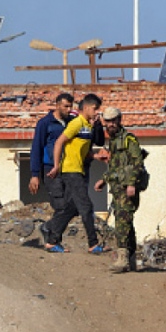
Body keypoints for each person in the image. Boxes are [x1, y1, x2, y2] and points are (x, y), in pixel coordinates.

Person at [44, 93, 104, 254]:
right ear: (85, 108)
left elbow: (82, 150)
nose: (97, 111)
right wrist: (56, 166)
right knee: (86, 206)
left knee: (71, 208)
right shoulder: (76, 123)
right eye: (94, 108)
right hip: (70, 170)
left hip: (79, 169)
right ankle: (93, 244)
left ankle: (51, 238)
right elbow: (59, 142)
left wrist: (96, 156)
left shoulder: (88, 126)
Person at [94, 106, 144, 272]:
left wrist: (131, 184)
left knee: (122, 222)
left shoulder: (129, 139)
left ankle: (122, 259)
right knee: (126, 222)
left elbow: (137, 163)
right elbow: (116, 167)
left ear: (119, 120)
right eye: (108, 121)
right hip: (118, 188)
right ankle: (131, 260)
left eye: (113, 120)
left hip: (126, 189)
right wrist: (104, 179)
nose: (111, 124)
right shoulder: (114, 141)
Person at [29, 93, 74, 243]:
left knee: (71, 205)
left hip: (68, 169)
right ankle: (53, 239)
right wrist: (35, 174)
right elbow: (36, 148)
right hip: (50, 170)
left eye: (70, 106)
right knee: (60, 206)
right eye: (65, 106)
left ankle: (50, 233)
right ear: (57, 105)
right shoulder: (45, 123)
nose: (68, 109)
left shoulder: (71, 123)